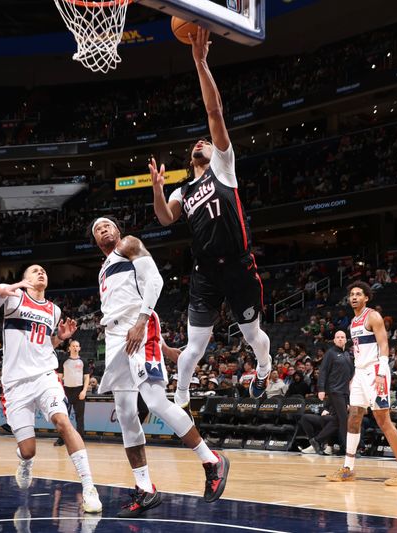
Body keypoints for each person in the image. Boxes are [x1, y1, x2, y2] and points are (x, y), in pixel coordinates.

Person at [151, 27, 272, 407]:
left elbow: (214, 111)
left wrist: (201, 62)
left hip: (238, 263)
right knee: (195, 345)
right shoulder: (181, 191)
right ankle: (182, 394)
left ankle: (264, 368)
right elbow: (165, 219)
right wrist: (157, 187)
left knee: (253, 336)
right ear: (191, 158)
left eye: (206, 140)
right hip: (205, 271)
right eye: (197, 143)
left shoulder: (223, 165)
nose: (204, 141)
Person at [92, 217, 229, 517]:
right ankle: (145, 489)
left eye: (107, 225)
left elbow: (154, 281)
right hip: (116, 337)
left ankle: (211, 460)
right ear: (94, 240)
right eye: (97, 229)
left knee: (154, 402)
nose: (103, 229)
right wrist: (165, 347)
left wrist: (143, 324)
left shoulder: (127, 244)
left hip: (137, 328)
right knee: (127, 415)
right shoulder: (103, 269)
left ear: (117, 230)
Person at [0, 264, 102, 512]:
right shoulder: (14, 297)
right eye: (34, 270)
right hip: (16, 383)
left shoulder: (55, 310)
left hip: (45, 376)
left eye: (44, 271)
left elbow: (45, 343)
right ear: (24, 279)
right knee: (28, 450)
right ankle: (25, 462)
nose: (41, 273)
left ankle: (89, 487)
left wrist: (60, 338)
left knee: (63, 422)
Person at [327, 282, 397, 486]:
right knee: (354, 417)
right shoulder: (353, 322)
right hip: (360, 373)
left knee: (383, 420)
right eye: (351, 294)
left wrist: (382, 372)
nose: (354, 297)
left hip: (376, 371)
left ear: (366, 298)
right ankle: (348, 468)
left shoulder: (372, 316)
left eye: (358, 294)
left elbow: (384, 344)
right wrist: (354, 375)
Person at [317, 330, 352, 454]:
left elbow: (351, 374)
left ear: (346, 340)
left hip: (344, 392)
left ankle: (317, 440)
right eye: (338, 337)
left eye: (343, 337)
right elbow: (323, 371)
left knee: (338, 419)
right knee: (344, 419)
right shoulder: (330, 353)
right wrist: (321, 389)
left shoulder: (348, 354)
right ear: (334, 340)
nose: (340, 339)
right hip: (334, 390)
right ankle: (347, 448)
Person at [59, 340, 91, 437]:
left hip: (79, 391)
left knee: (79, 418)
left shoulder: (83, 361)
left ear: (79, 348)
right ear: (69, 348)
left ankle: (80, 438)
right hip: (66, 391)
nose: (75, 348)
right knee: (63, 417)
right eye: (73, 346)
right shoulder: (64, 361)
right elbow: (59, 377)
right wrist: (60, 391)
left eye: (77, 346)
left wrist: (84, 391)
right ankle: (62, 439)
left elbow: (87, 377)